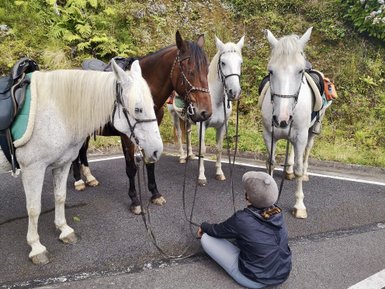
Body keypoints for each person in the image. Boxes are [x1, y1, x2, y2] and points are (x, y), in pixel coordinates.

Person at [197, 171, 292, 288]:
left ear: (248, 196)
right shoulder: (277, 212)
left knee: (207, 238)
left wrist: (203, 226)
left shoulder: (242, 218)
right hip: (282, 275)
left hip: (255, 280)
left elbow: (216, 230)